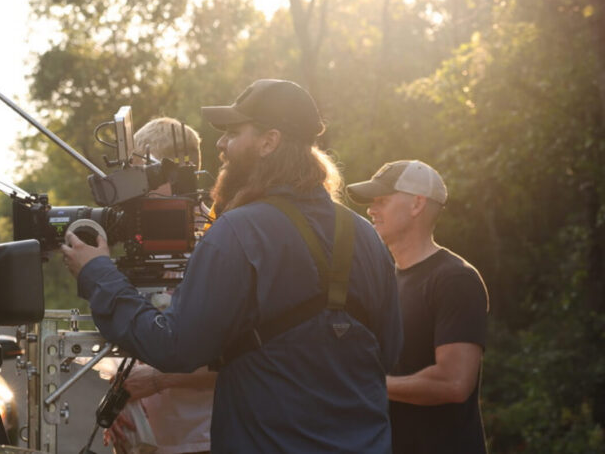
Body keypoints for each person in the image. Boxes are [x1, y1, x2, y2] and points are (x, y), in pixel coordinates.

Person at [62, 79, 403, 452]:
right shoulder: (366, 236)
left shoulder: (238, 231)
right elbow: (389, 352)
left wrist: (98, 273)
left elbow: (175, 347)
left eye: (233, 133)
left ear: (268, 142)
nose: (221, 145)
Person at [347, 160, 489, 453]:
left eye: (382, 201)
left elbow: (454, 382)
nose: (371, 210)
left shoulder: (455, 279)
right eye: (372, 203)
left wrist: (366, 386)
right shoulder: (383, 279)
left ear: (417, 205)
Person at [109, 117, 215, 454]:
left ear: (170, 173)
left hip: (202, 440)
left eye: (141, 176)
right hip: (151, 440)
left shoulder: (217, 239)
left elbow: (237, 360)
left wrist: (155, 381)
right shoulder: (147, 238)